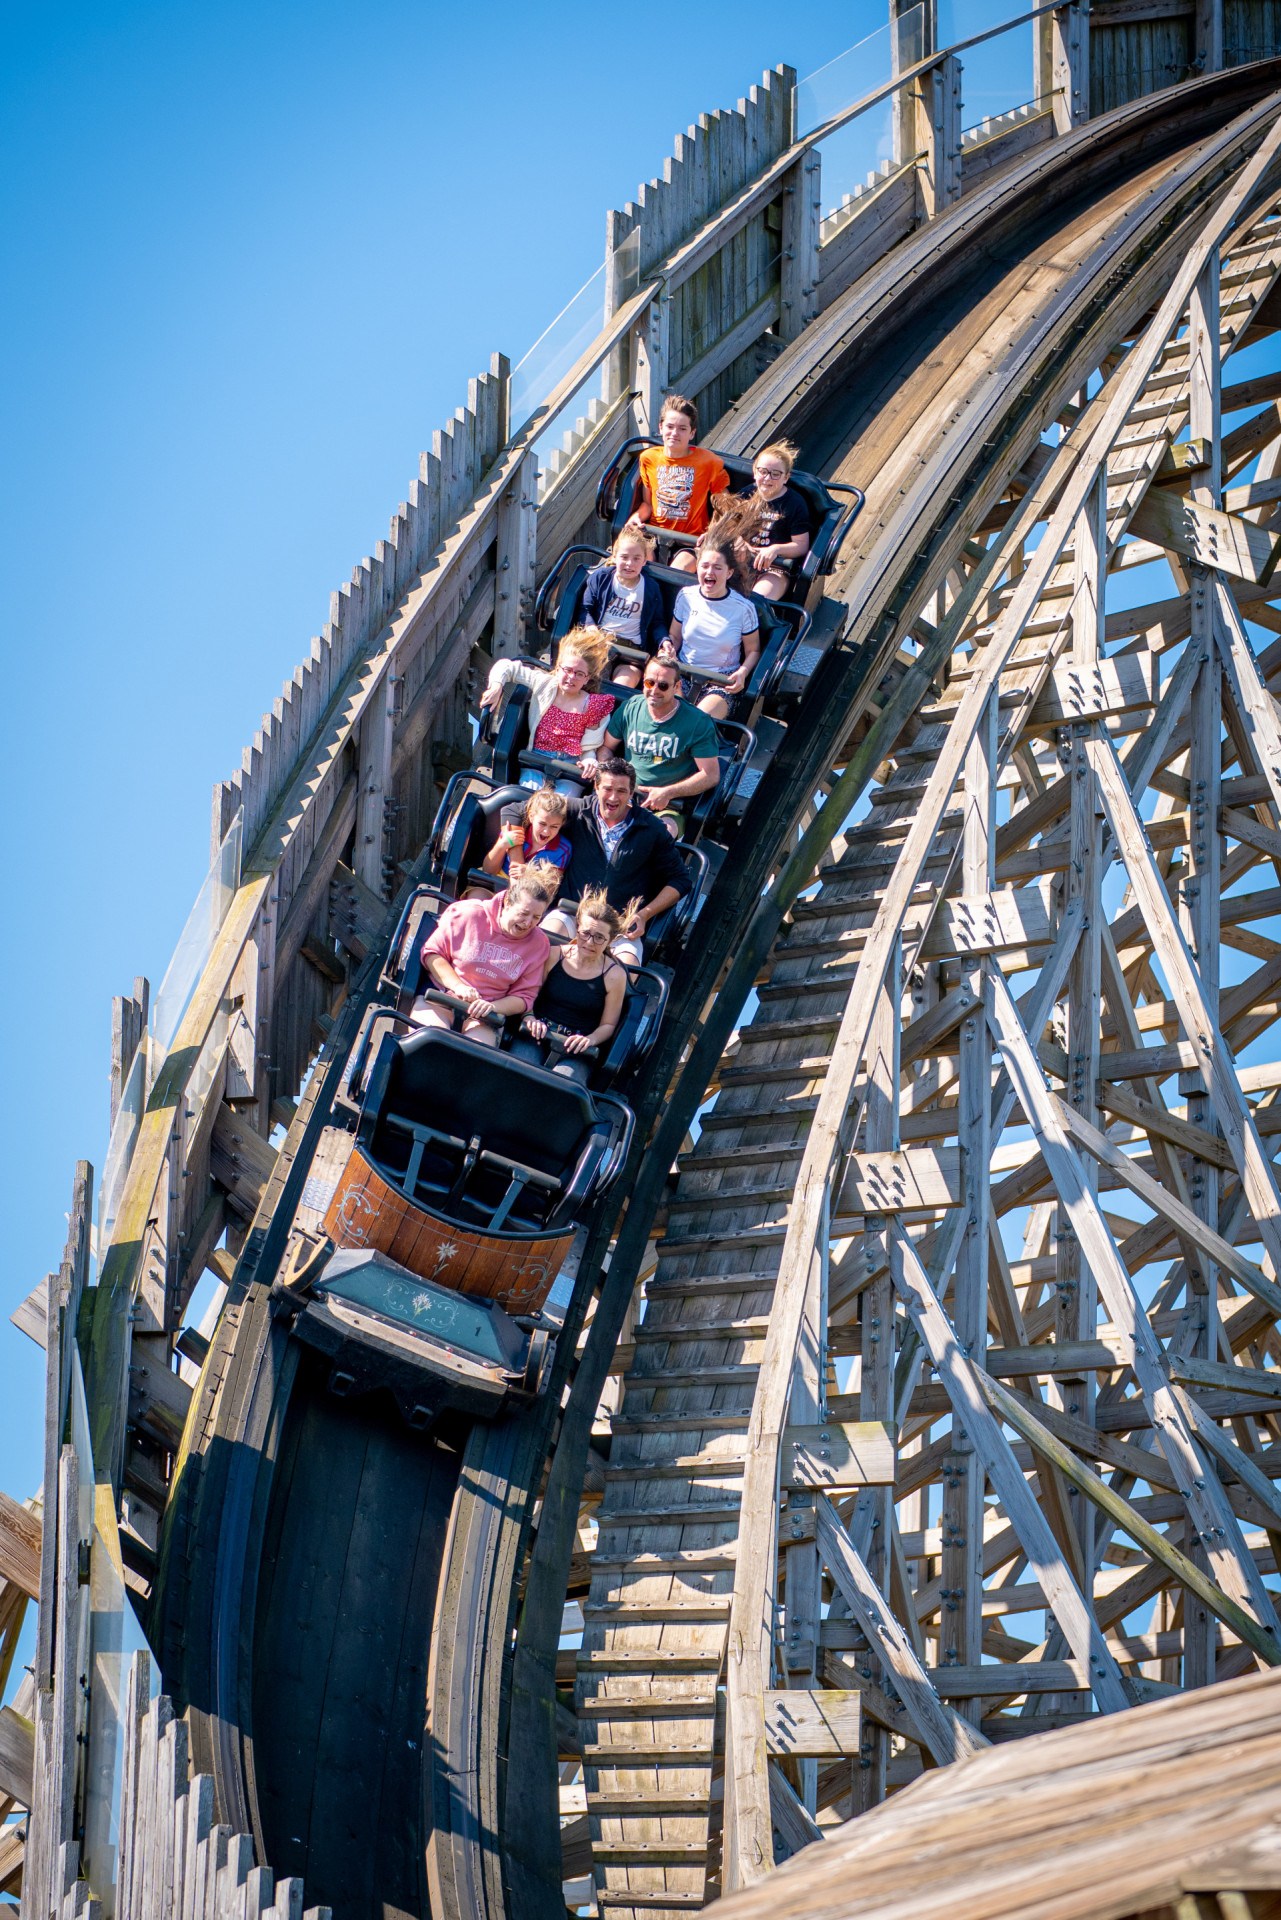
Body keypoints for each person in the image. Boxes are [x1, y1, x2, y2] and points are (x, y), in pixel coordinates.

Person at [544, 758, 692, 965]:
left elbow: (681, 879)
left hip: (619, 928)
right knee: (544, 941)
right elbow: (515, 810)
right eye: (608, 789)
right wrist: (514, 855)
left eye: (622, 791)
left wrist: (643, 915)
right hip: (571, 912)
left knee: (624, 972)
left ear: (632, 794)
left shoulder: (651, 829)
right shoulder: (578, 811)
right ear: (596, 787)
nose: (613, 797)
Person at [413, 874, 552, 1046]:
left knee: (473, 1055)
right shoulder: (469, 913)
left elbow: (524, 997)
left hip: (486, 1015)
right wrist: (458, 986)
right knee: (432, 1043)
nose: (528, 923)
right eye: (524, 914)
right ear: (508, 903)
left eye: (536, 918)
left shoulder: (538, 944)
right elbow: (432, 953)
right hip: (442, 996)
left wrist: (493, 1007)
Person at [510, 890, 631, 1084]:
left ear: (610, 941)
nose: (590, 942)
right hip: (537, 1032)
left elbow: (608, 1025)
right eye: (585, 934)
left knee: (562, 1084)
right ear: (577, 929)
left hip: (577, 1047)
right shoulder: (554, 955)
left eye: (599, 937)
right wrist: (529, 1016)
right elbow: (528, 994)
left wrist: (590, 1040)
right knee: (520, 1072)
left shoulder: (614, 975)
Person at [478, 628, 615, 786]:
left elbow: (588, 746)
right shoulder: (544, 684)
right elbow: (506, 666)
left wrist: (589, 759)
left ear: (586, 679)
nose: (571, 678)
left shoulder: (593, 705)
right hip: (537, 759)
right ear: (558, 669)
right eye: (568, 670)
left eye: (579, 674)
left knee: (562, 805)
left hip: (570, 766)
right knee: (530, 794)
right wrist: (496, 686)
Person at [601, 658, 721, 838]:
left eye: (663, 685)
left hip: (669, 806)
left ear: (676, 686)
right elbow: (606, 748)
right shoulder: (631, 707)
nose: (654, 690)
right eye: (650, 682)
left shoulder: (697, 722)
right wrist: (607, 777)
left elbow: (710, 775)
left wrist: (668, 792)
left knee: (657, 837)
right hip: (623, 795)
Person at [628, 394, 730, 575]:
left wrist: (714, 532)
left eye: (682, 429)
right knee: (640, 564)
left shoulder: (708, 462)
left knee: (676, 572)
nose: (674, 433)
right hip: (654, 533)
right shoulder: (648, 458)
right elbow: (647, 504)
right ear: (661, 428)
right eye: (669, 427)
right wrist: (636, 517)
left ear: (692, 433)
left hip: (691, 540)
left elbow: (727, 506)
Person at [663, 536, 760, 720]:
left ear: (729, 573)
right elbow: (674, 637)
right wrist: (667, 649)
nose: (710, 572)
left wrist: (742, 672)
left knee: (696, 721)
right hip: (683, 672)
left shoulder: (743, 608)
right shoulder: (686, 596)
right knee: (668, 715)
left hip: (720, 682)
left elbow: (753, 650)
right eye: (705, 566)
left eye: (717, 568)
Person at [579, 527, 668, 685]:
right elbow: (586, 608)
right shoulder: (601, 578)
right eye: (624, 557)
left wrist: (664, 641)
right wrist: (591, 627)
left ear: (644, 561)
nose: (629, 564)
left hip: (632, 651)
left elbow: (657, 622)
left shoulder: (651, 588)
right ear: (615, 556)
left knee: (622, 685)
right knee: (596, 681)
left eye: (636, 558)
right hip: (602, 642)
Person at [731, 441, 812, 600]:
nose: (768, 478)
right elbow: (728, 525)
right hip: (741, 560)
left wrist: (775, 550)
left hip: (775, 567)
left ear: (786, 477)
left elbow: (801, 545)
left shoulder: (795, 504)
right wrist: (738, 540)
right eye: (763, 471)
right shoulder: (746, 495)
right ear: (755, 472)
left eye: (776, 474)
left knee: (756, 601)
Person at [480, 787, 571, 900]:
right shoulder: (514, 832)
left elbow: (551, 889)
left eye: (554, 827)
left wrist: (530, 873)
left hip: (527, 896)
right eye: (542, 824)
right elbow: (488, 870)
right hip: (494, 883)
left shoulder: (563, 849)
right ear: (531, 817)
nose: (546, 831)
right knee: (477, 900)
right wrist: (502, 845)